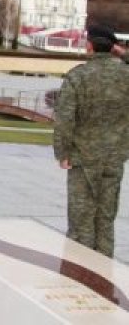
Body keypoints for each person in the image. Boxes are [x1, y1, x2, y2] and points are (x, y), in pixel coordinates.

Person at [53, 25, 129, 258]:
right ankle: (104, 279)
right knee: (105, 220)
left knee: (80, 221)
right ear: (113, 47)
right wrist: (121, 53)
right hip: (113, 158)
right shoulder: (125, 75)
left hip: (82, 158)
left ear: (90, 46)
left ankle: (79, 277)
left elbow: (64, 118)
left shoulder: (78, 76)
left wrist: (62, 152)